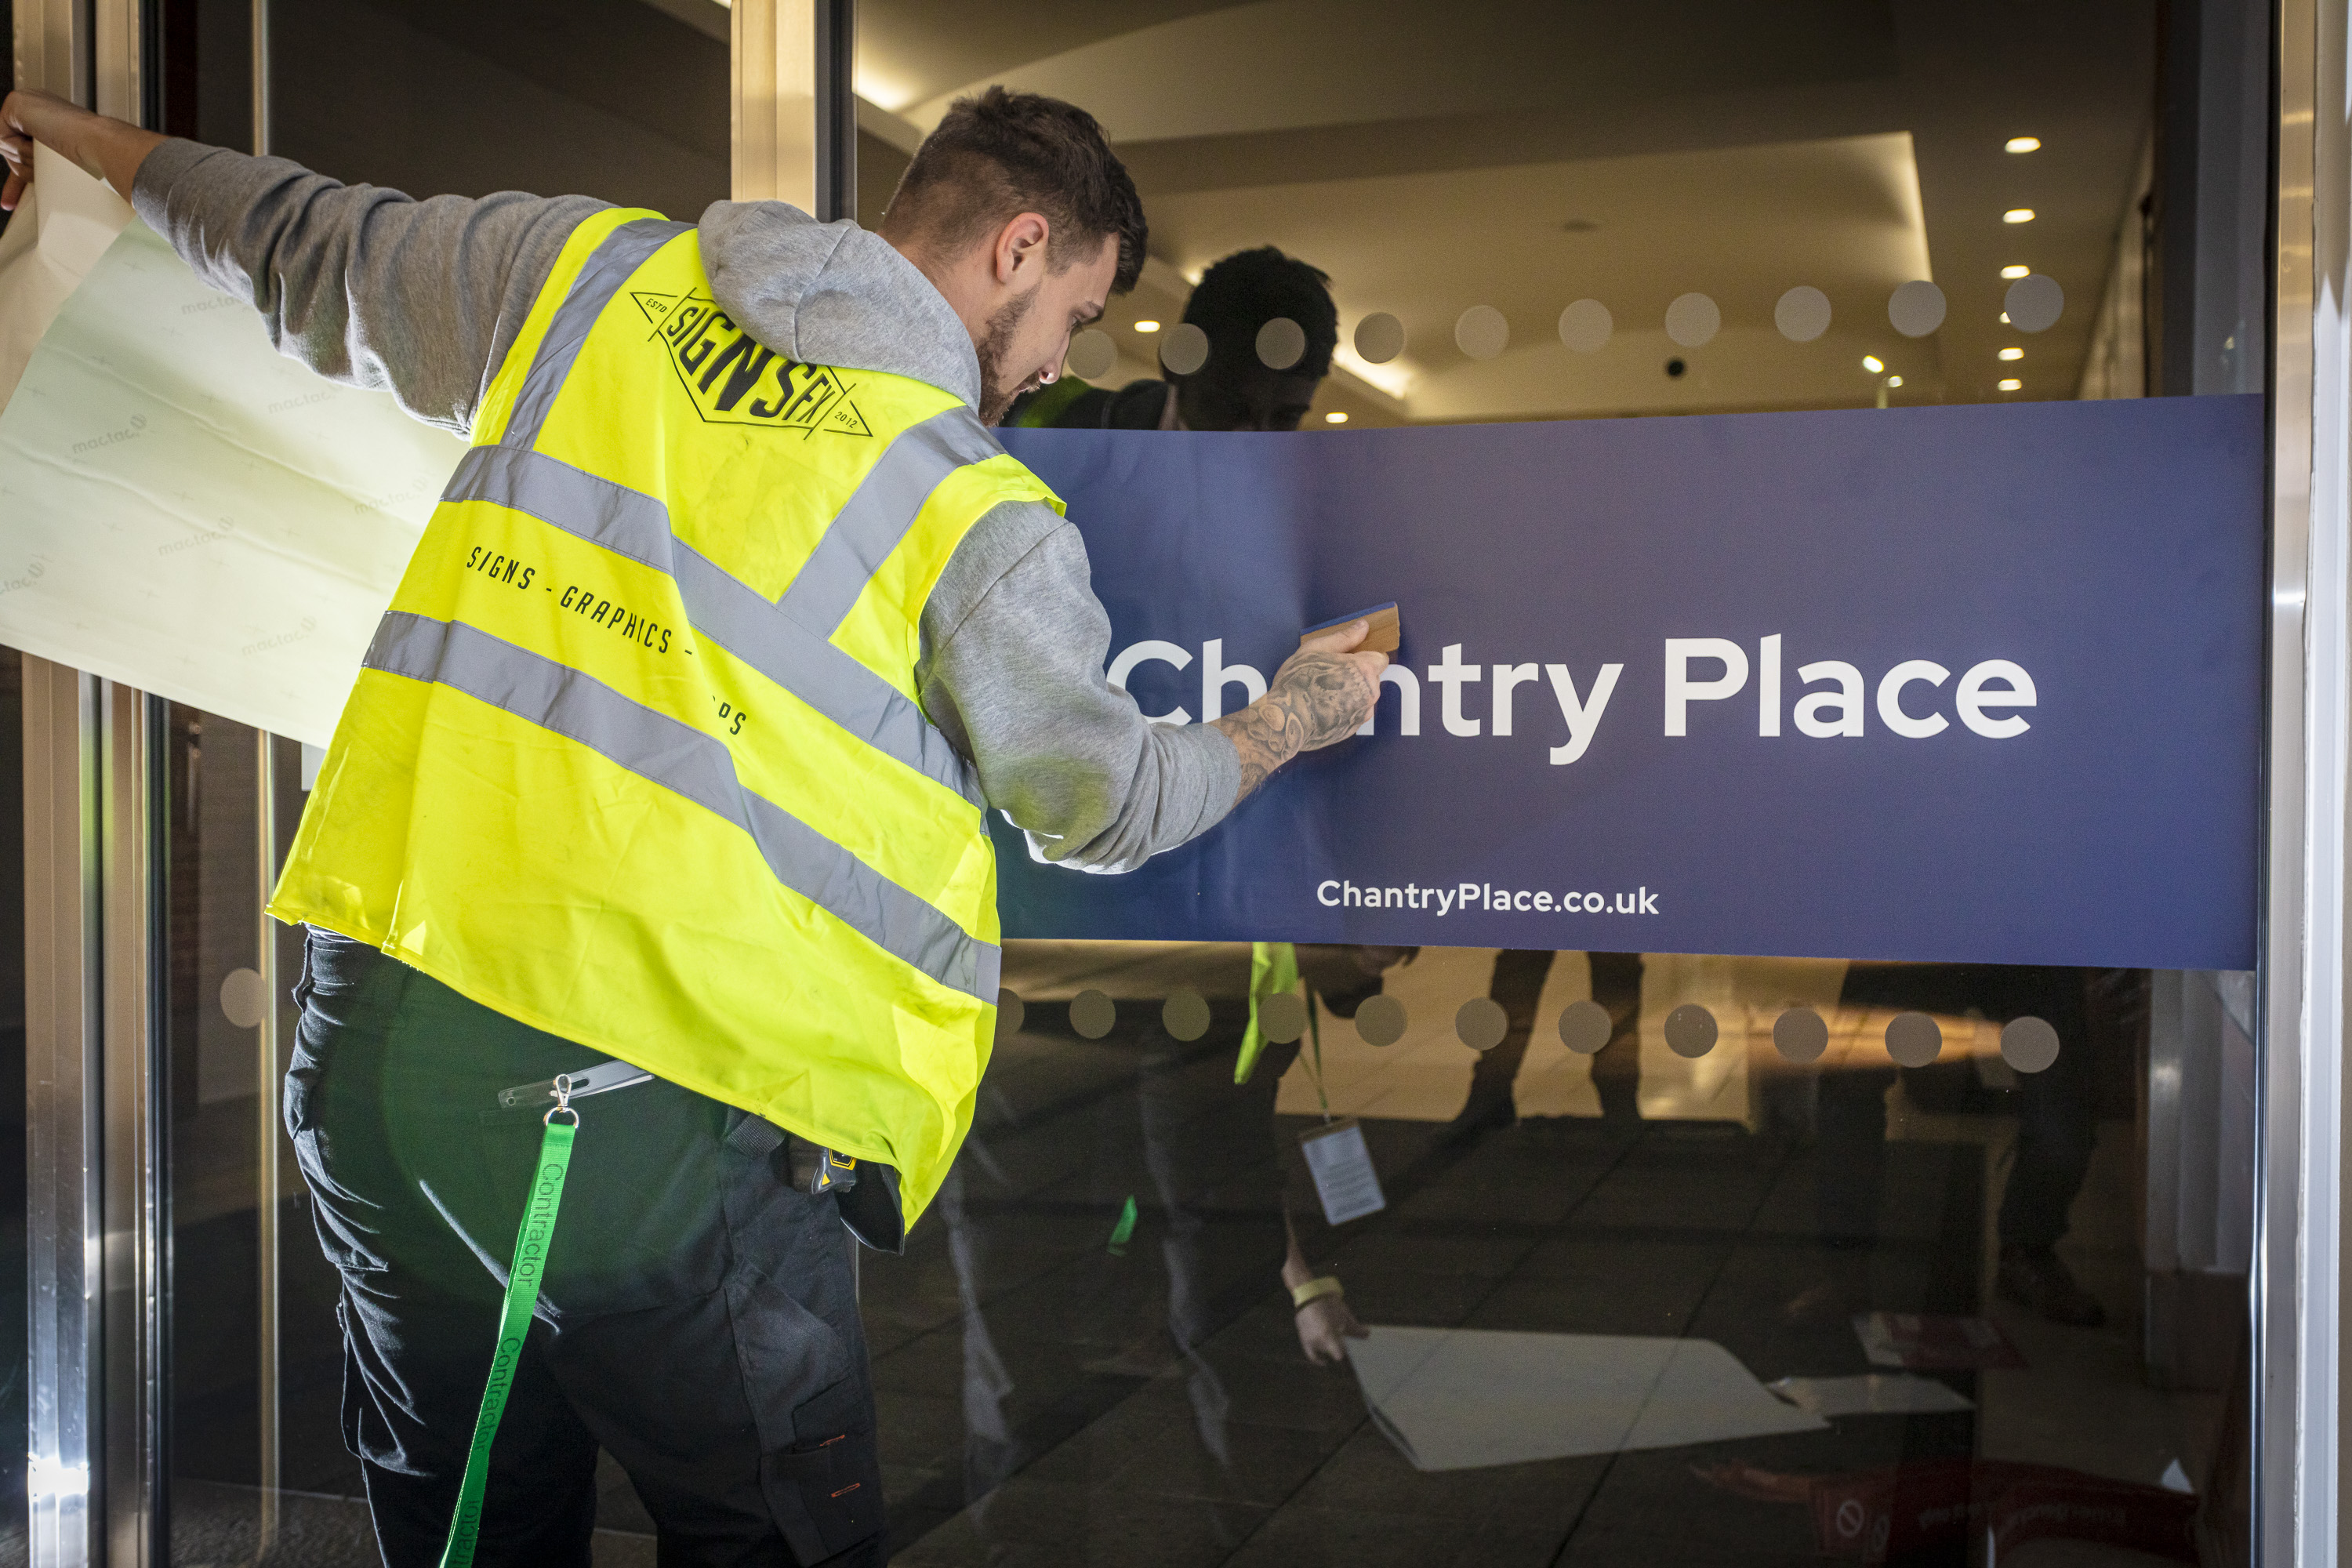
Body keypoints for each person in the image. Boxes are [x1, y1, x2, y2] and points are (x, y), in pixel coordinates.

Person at [0, 85, 1387, 1566]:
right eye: (1077, 315)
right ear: (1021, 247)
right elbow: (1095, 801)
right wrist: (1288, 716)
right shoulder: (968, 506)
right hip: (649, 1103)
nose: (1060, 364)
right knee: (770, 1534)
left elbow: (300, 244)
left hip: (382, 1053)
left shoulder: (594, 279)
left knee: (472, 1530)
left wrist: (66, 137)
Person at [1010, 245, 1339, 430]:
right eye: (1230, 407)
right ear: (1176, 361)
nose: (1253, 441)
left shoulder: (1305, 506)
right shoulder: (1054, 428)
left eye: (1286, 417)